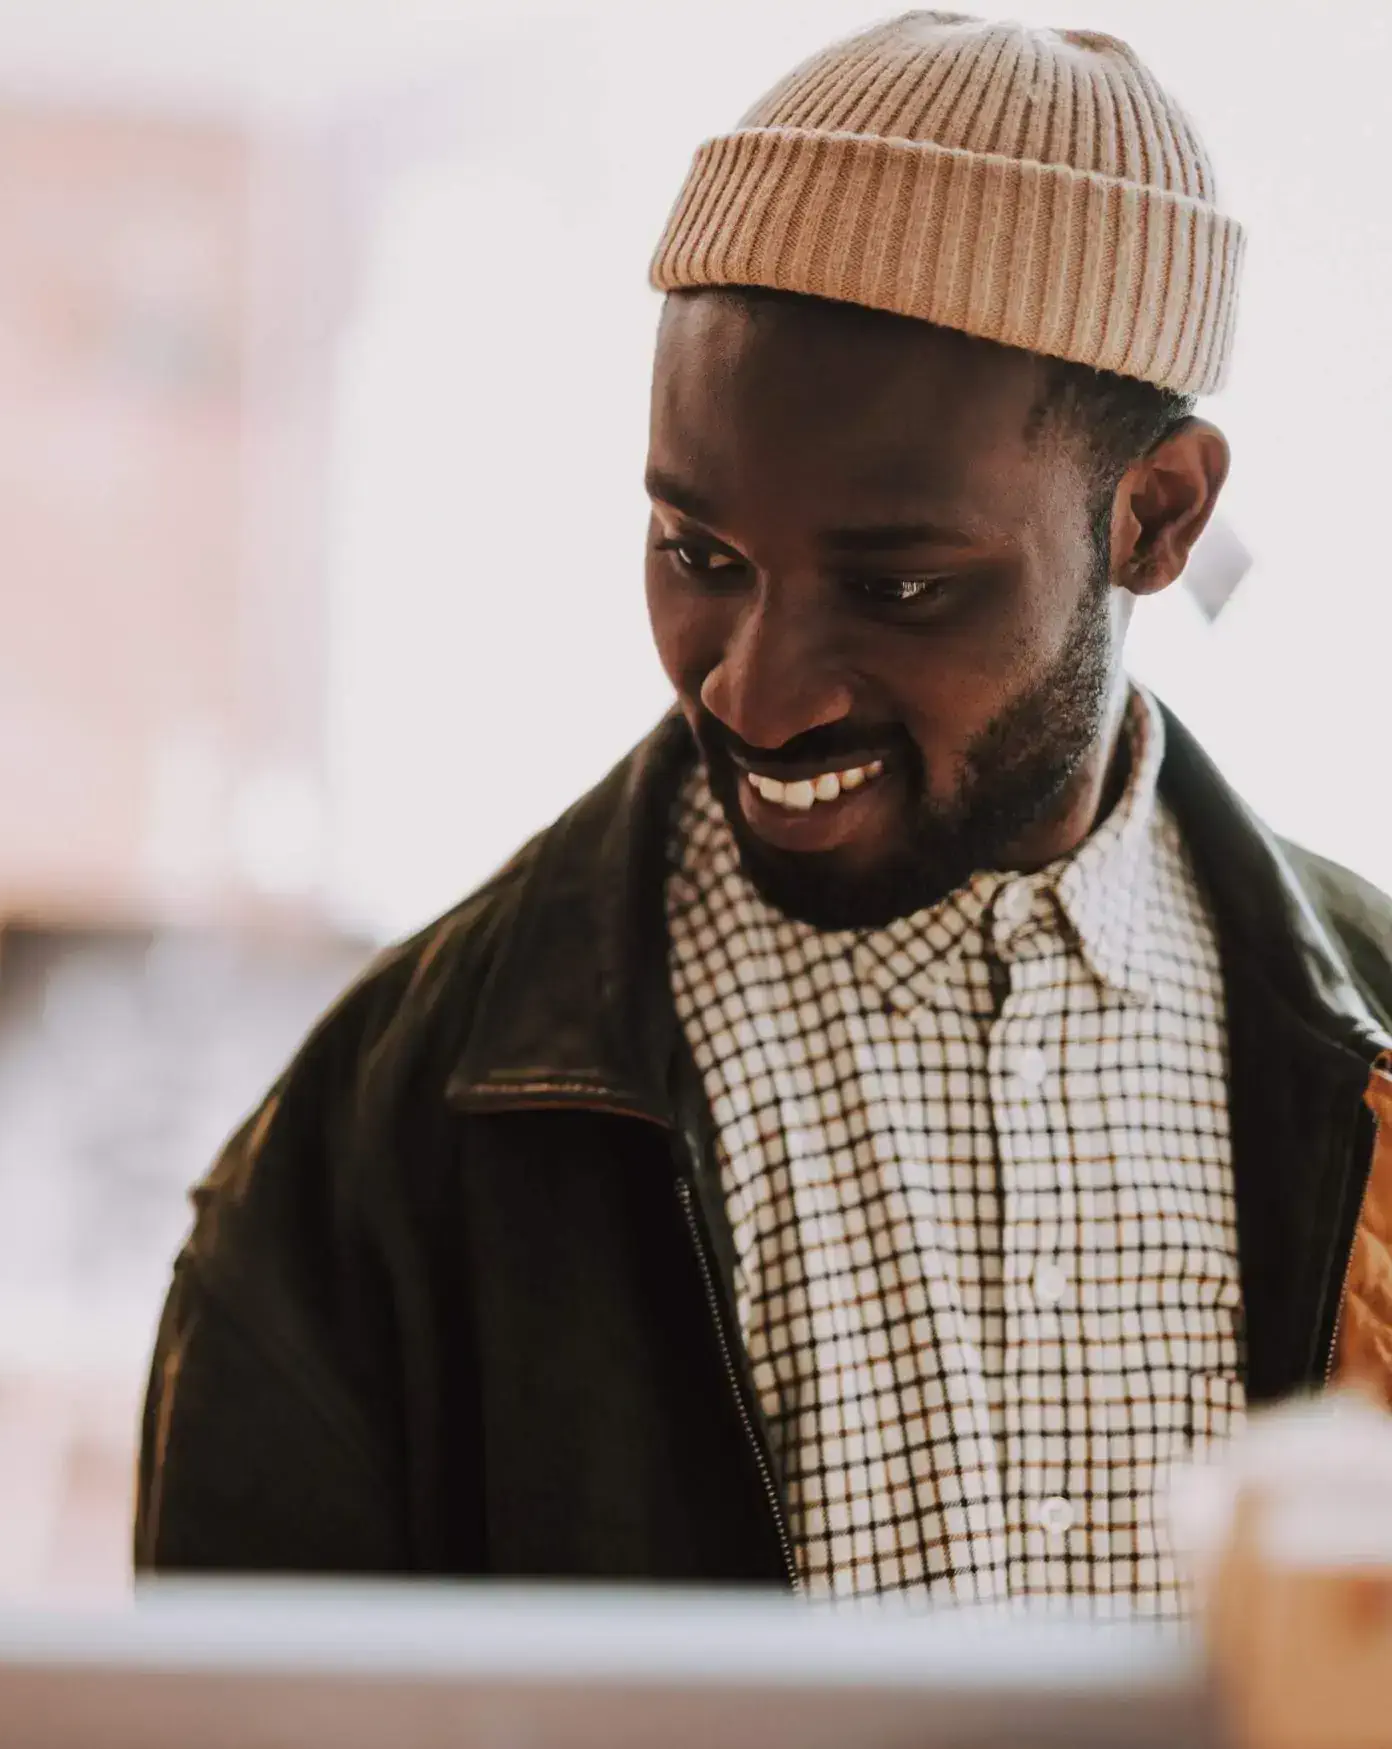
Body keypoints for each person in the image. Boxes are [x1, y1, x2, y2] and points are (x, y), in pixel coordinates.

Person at [134, 10, 1392, 1613]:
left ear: (1155, 515)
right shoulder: (380, 1142)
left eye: (897, 585)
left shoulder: (1380, 1071)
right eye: (698, 555)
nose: (756, 689)